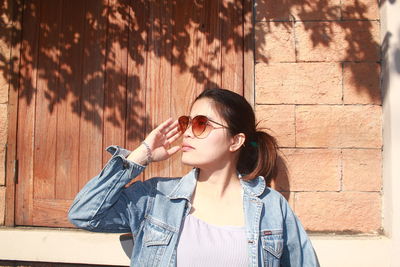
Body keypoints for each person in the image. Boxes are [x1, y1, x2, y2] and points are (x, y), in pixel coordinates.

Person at [68, 88, 320, 267]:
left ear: (235, 140)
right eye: (187, 122)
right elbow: (84, 214)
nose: (187, 132)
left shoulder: (271, 207)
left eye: (200, 124)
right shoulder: (156, 198)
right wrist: (140, 155)